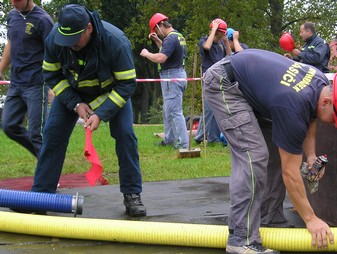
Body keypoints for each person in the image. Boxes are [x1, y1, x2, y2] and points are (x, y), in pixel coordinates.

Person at [202, 49, 337, 254]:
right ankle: (240, 238)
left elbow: (311, 117)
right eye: (336, 119)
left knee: (273, 151)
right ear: (328, 102)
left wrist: (310, 156)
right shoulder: (293, 103)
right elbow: (290, 173)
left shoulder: (320, 82)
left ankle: (269, 218)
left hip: (249, 84)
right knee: (254, 155)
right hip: (224, 84)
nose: (336, 125)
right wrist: (310, 219)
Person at [31, 4, 146, 217]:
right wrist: (75, 103)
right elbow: (52, 75)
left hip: (111, 94)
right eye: (66, 40)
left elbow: (127, 84)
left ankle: (132, 195)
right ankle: (41, 196)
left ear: (89, 28)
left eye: (75, 38)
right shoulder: (56, 39)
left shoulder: (115, 42)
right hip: (73, 94)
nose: (70, 45)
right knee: (52, 134)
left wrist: (101, 113)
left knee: (125, 135)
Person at [0, 0, 53, 158]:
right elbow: (11, 42)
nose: (13, 3)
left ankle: (48, 175)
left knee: (37, 134)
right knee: (9, 126)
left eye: (17, 0)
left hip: (37, 84)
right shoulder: (12, 16)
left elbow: (54, 53)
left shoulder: (43, 20)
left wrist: (51, 86)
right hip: (16, 83)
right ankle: (45, 160)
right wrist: (1, 68)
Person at [140, 13, 189, 149]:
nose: (156, 33)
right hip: (179, 74)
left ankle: (183, 144)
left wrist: (146, 54)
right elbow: (168, 51)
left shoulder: (170, 38)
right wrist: (157, 41)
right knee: (167, 110)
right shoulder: (178, 36)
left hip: (171, 76)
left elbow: (161, 58)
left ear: (160, 25)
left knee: (174, 111)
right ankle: (169, 139)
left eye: (155, 30)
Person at [194, 18, 231, 144]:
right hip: (208, 77)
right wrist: (213, 30)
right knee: (209, 109)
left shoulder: (221, 43)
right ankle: (208, 137)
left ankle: (205, 137)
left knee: (217, 108)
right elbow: (207, 47)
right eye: (223, 33)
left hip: (219, 77)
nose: (224, 36)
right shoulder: (204, 40)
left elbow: (229, 57)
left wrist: (226, 43)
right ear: (218, 32)